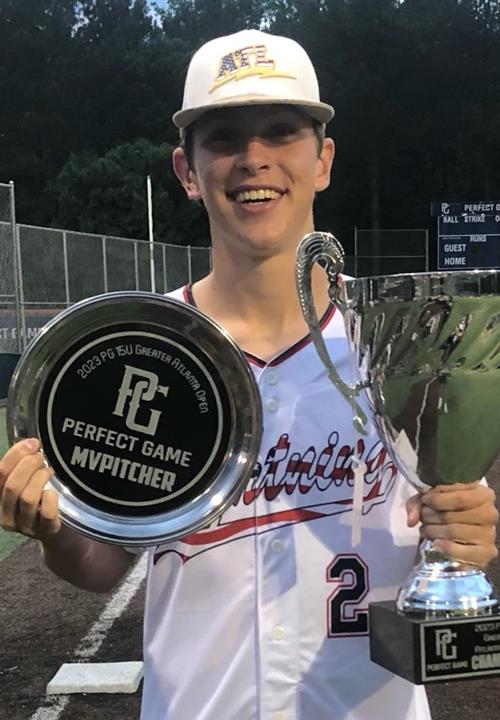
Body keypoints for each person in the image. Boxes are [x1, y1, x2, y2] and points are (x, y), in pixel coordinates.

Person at [0, 29, 498, 720]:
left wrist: (469, 543)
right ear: (186, 168)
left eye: (281, 131)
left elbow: (460, 534)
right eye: (224, 137)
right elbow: (102, 566)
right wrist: (55, 528)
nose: (253, 159)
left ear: (322, 158)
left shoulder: (404, 344)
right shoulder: (143, 354)